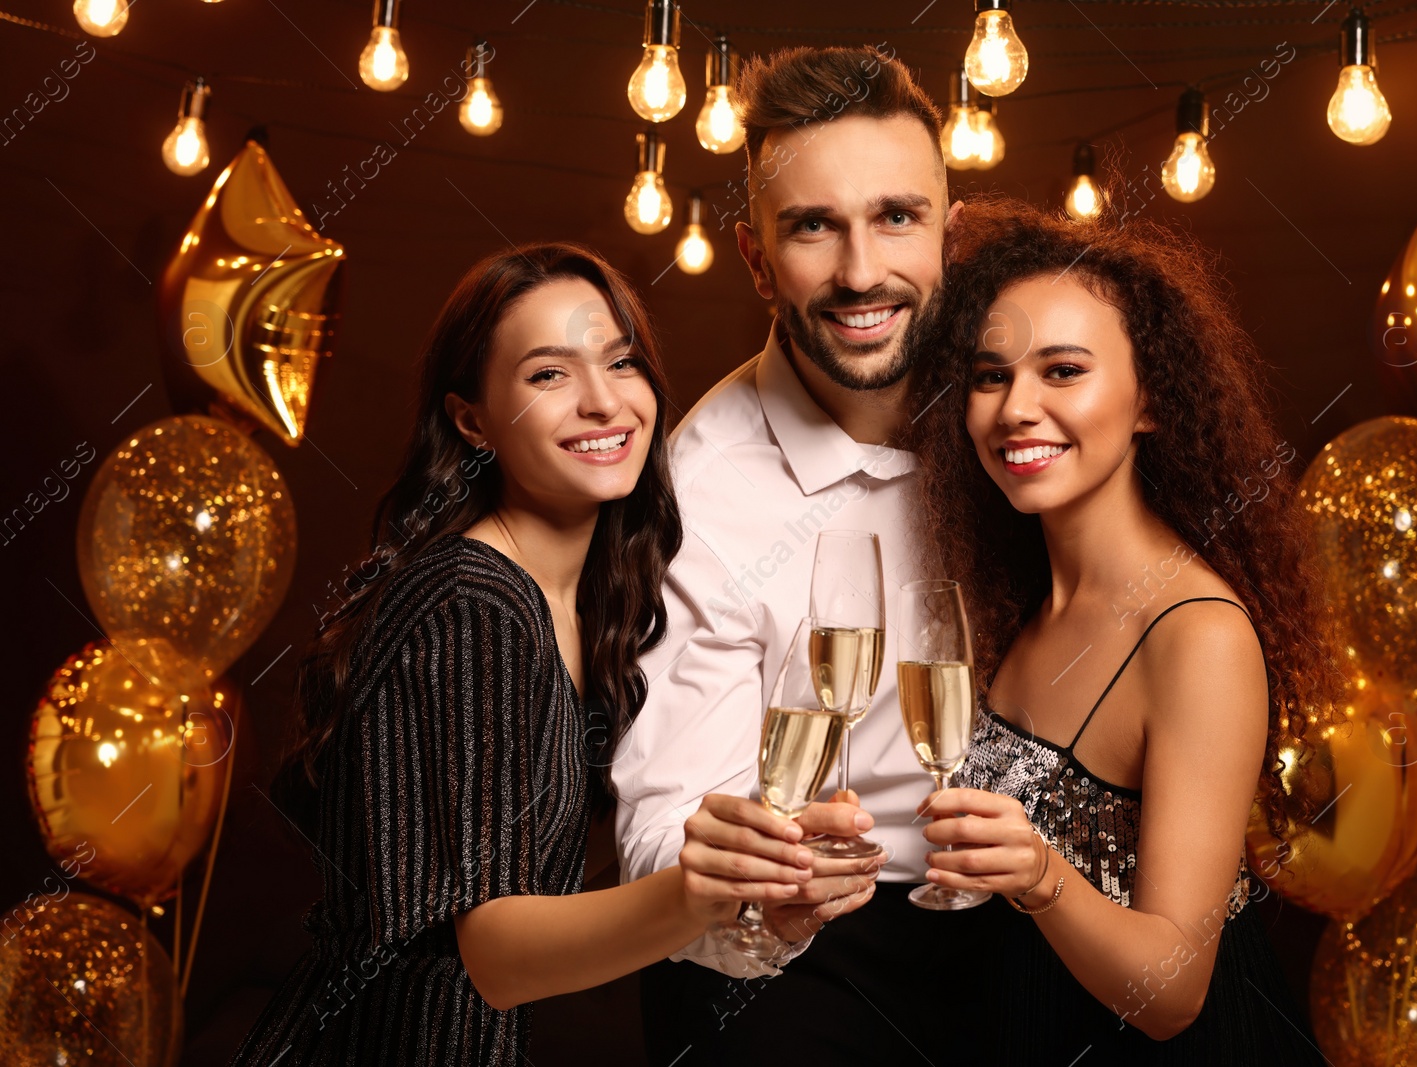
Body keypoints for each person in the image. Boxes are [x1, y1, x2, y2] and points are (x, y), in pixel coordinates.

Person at [230, 244, 813, 1067]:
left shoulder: (590, 600)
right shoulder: (475, 600)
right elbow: (498, 954)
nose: (604, 401)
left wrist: (752, 888)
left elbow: (554, 872)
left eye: (621, 361)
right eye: (549, 375)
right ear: (471, 419)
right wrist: (701, 891)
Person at [611, 46, 1006, 1066]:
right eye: (813, 228)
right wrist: (762, 896)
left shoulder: (1016, 415)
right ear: (755, 258)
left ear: (949, 237)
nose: (861, 271)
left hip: (1013, 915)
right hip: (799, 949)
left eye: (896, 217)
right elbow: (659, 831)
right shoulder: (697, 490)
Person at [907, 196, 1335, 1063]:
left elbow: (1173, 993)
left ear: (1150, 401)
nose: (1016, 407)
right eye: (991, 375)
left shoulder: (1199, 636)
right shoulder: (1017, 597)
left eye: (1063, 370)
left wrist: (1036, 872)